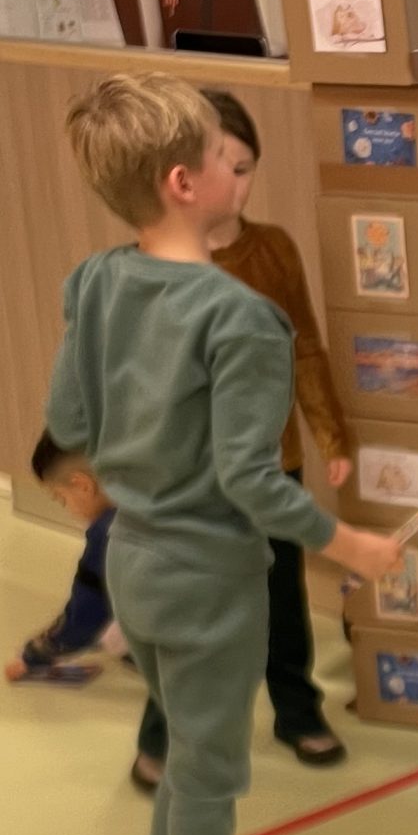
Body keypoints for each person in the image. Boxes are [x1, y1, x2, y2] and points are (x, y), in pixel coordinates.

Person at [44, 72, 401, 835]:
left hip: (133, 562)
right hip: (208, 578)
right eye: (217, 154)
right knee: (209, 775)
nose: (232, 168)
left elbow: (67, 420)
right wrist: (350, 545)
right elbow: (252, 480)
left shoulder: (94, 282)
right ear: (183, 183)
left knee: (187, 753)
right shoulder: (242, 318)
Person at [131, 89, 356, 786]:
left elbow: (305, 347)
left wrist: (330, 434)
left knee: (280, 597)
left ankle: (297, 708)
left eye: (244, 167)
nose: (234, 183)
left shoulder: (274, 250)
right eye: (218, 167)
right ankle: (166, 729)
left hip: (269, 463)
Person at [7, 435, 123, 681]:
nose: (67, 509)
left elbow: (84, 615)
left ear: (83, 485)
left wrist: (34, 655)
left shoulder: (107, 532)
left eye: (61, 498)